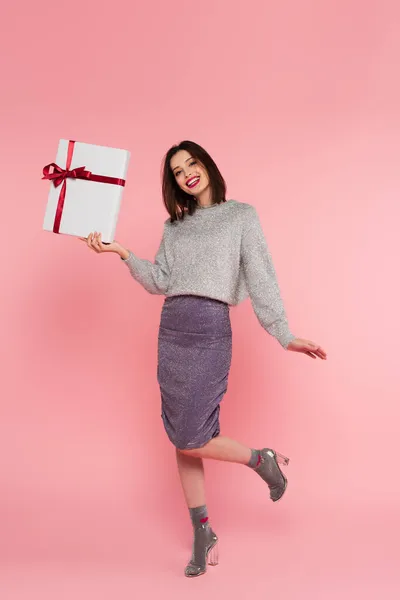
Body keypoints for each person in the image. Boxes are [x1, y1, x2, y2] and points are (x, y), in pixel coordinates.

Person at [79, 140, 327, 578]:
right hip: (171, 331)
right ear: (173, 182)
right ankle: (202, 531)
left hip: (210, 333)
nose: (187, 173)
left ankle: (261, 459)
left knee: (192, 436)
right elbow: (160, 280)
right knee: (182, 436)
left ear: (206, 164)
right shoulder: (175, 227)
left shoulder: (241, 216)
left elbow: (261, 277)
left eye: (191, 163)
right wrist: (121, 252)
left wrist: (284, 334)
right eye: (177, 171)